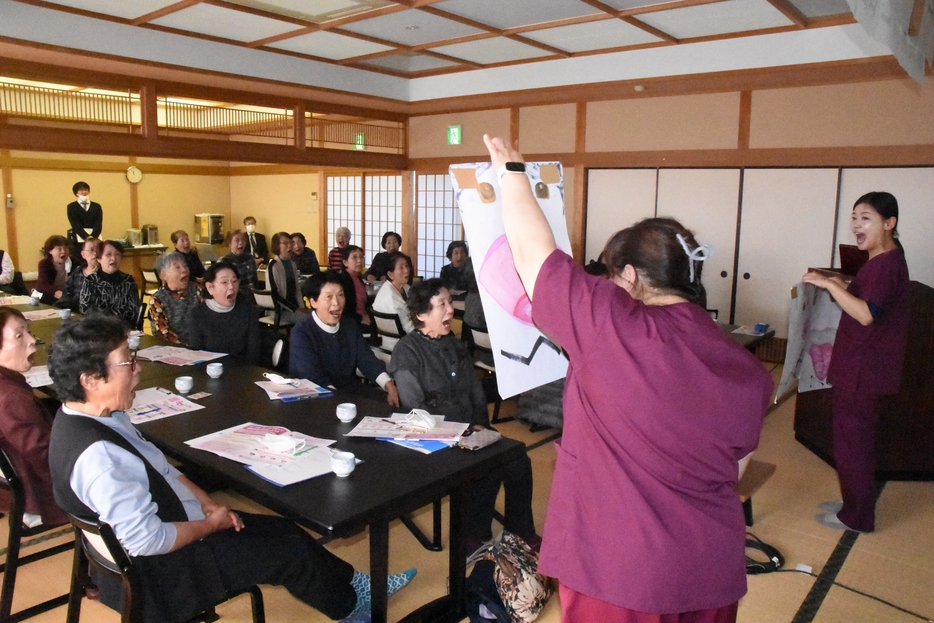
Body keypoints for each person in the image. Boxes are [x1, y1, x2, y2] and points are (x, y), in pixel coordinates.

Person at [483, 134, 771, 621]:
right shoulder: (743, 362)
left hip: (620, 568)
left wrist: (512, 176)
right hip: (711, 568)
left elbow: (535, 259)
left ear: (632, 276)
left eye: (614, 277)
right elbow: (738, 467)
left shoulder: (615, 326)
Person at [46, 315, 414, 623]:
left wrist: (208, 504)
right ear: (91, 381)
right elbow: (146, 541)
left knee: (285, 529)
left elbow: (164, 470)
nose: (138, 369)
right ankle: (352, 610)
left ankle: (356, 583)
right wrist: (212, 524)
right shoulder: (98, 455)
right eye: (128, 362)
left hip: (183, 524)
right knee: (289, 554)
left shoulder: (95, 418)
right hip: (170, 571)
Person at [388, 278, 538, 553]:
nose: (450, 310)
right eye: (441, 304)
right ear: (421, 315)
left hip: (471, 429)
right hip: (434, 438)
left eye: (449, 302)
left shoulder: (454, 344)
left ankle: (520, 529)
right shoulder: (407, 353)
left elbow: (475, 391)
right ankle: (473, 532)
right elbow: (416, 411)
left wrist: (483, 426)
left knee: (517, 458)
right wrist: (461, 432)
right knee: (486, 467)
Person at [802, 191, 910, 534]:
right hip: (861, 366)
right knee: (852, 440)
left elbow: (866, 314)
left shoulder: (885, 265)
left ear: (889, 223)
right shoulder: (882, 262)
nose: (856, 226)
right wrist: (838, 284)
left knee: (853, 443)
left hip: (863, 371)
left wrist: (830, 286)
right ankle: (854, 505)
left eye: (865, 218)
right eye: (854, 218)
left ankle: (858, 517)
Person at [0, 307, 68, 528]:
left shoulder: (8, 384)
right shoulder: (10, 397)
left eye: (29, 332)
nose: (32, 341)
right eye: (19, 335)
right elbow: (44, 455)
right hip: (39, 497)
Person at [290, 272, 399, 407]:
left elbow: (366, 360)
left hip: (348, 391)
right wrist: (338, 400)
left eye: (340, 295)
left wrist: (389, 385)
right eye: (329, 297)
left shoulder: (349, 325)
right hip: (314, 397)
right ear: (313, 302)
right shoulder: (302, 332)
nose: (336, 303)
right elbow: (313, 377)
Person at [79, 240, 140, 328]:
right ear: (99, 258)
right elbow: (85, 310)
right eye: (108, 255)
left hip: (123, 329)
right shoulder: (90, 280)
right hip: (98, 329)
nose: (113, 258)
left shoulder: (128, 281)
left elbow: (134, 311)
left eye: (117, 254)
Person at [149, 252, 202, 345]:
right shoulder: (158, 299)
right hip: (172, 349)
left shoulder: (197, 289)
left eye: (185, 266)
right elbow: (164, 333)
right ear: (163, 275)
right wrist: (188, 348)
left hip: (201, 346)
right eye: (177, 267)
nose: (184, 270)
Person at [371, 252, 414, 345]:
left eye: (407, 266)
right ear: (390, 274)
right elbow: (409, 329)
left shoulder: (404, 287)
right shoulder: (391, 299)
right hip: (399, 345)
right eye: (401, 267)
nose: (406, 270)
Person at [266, 231, 307, 325]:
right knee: (309, 320)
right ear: (277, 246)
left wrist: (302, 307)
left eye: (290, 243)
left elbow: (297, 290)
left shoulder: (292, 264)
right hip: (280, 311)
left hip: (294, 309)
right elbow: (276, 295)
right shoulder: (273, 266)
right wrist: (296, 309)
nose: (290, 246)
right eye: (285, 243)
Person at [61, 237, 102, 311]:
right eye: (91, 250)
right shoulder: (78, 271)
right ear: (83, 254)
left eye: (99, 250)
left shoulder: (106, 273)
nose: (95, 253)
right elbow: (66, 292)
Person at [66, 181, 103, 262]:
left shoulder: (96, 206)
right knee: (80, 261)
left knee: (96, 259)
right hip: (79, 238)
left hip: (95, 237)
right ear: (76, 193)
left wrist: (93, 237)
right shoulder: (71, 207)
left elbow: (98, 222)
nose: (84, 192)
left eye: (86, 190)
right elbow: (75, 224)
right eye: (81, 190)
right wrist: (86, 237)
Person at [36, 234, 72, 304]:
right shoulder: (44, 263)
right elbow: (44, 284)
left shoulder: (74, 262)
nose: (63, 251)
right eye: (59, 248)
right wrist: (57, 293)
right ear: (50, 251)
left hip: (66, 296)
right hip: (48, 295)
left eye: (65, 248)